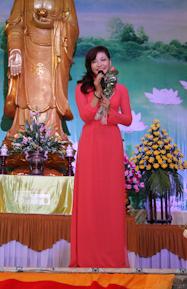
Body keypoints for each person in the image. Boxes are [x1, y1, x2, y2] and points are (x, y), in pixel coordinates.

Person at [4, 0, 79, 141]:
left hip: (54, 56)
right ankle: (22, 137)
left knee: (51, 97)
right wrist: (15, 50)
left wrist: (54, 25)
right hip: (27, 54)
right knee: (25, 96)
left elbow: (73, 29)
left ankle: (52, 135)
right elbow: (14, 26)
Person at [70, 46, 132, 268]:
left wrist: (111, 111)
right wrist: (97, 92)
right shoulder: (81, 88)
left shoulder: (121, 89)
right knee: (90, 194)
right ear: (90, 66)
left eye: (103, 60)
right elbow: (86, 116)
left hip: (111, 143)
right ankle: (87, 255)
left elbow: (127, 119)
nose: (100, 64)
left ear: (109, 62)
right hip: (91, 143)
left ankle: (112, 255)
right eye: (95, 61)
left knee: (110, 195)